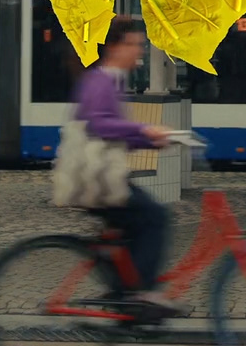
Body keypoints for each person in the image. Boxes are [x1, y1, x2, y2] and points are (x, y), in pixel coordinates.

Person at [73, 16, 189, 317]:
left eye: (141, 45)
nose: (139, 51)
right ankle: (143, 294)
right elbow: (99, 125)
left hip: (100, 176)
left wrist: (153, 140)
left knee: (131, 231)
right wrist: (144, 130)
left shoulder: (112, 80)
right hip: (98, 180)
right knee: (155, 216)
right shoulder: (102, 80)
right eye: (134, 44)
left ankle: (124, 295)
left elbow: (115, 134)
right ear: (114, 46)